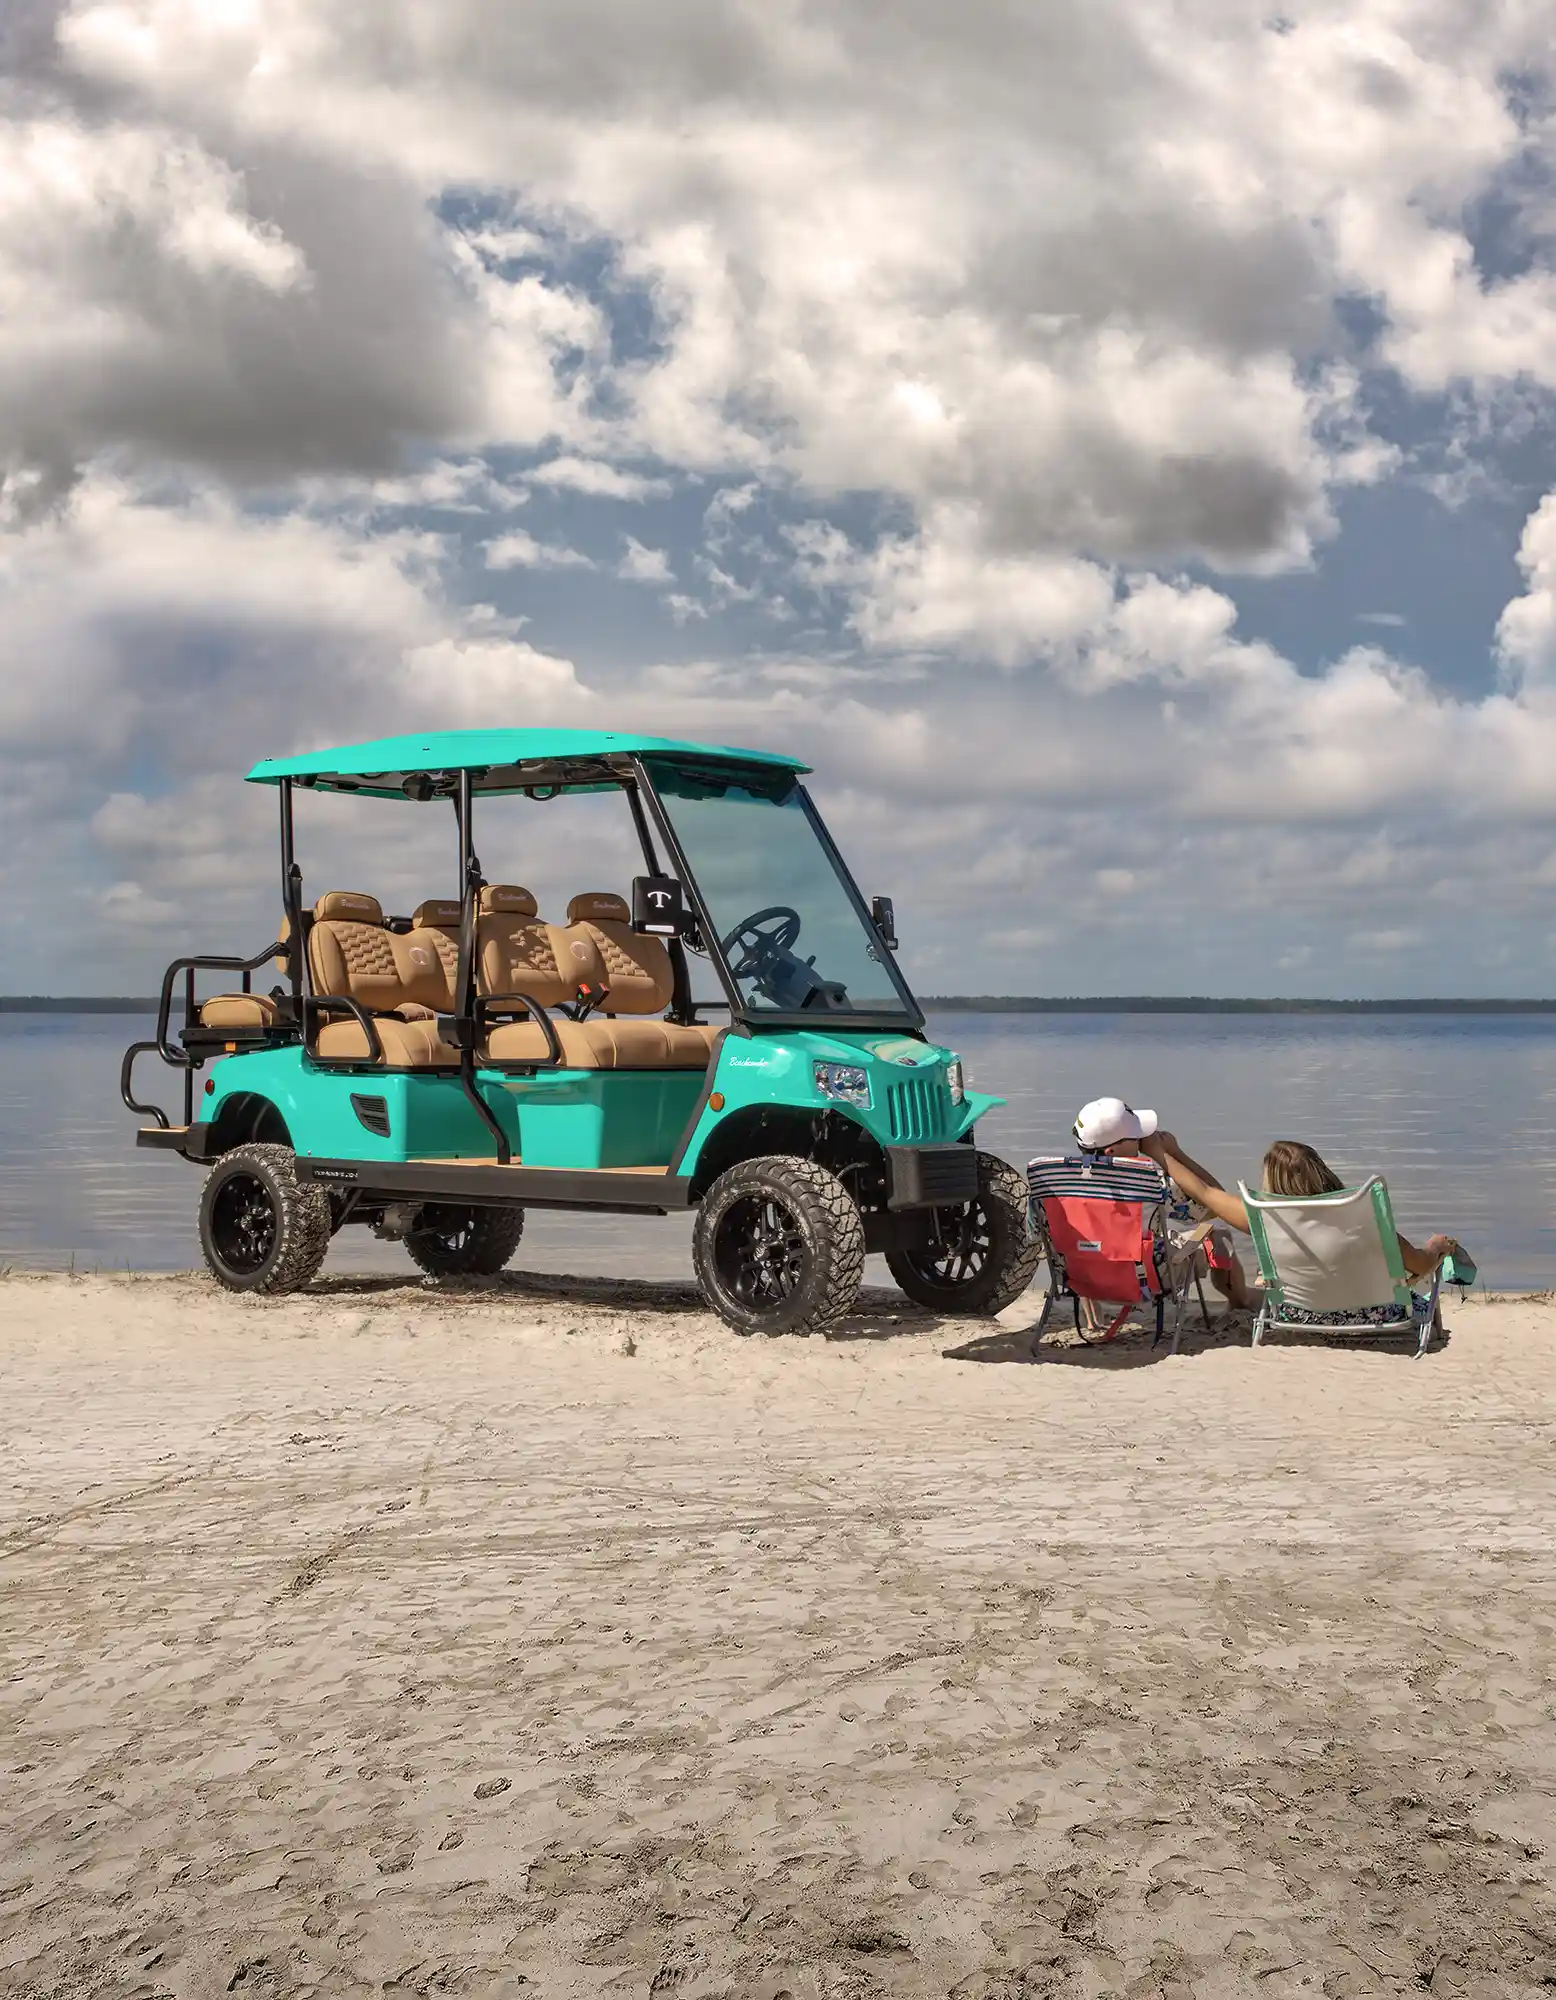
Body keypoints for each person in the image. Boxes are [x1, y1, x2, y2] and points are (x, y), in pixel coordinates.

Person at [1139, 1130, 1465, 1325]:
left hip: (1296, 1315)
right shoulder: (1363, 1220)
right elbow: (1420, 1265)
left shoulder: (1265, 1219)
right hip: (1377, 1316)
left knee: (1258, 1292)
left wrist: (1164, 1153)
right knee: (1419, 1298)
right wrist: (1436, 1247)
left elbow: (1206, 1193)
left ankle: (1239, 1300)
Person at [1071, 1097, 1260, 1312]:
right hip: (1145, 1280)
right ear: (1111, 1151)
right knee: (1218, 1236)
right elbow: (1214, 1203)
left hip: (1083, 1279)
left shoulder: (1061, 1185)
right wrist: (1170, 1154)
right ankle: (1240, 1303)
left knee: (1085, 1243)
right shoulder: (1151, 1184)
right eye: (1137, 1137)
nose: (1143, 1139)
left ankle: (1092, 1320)